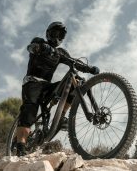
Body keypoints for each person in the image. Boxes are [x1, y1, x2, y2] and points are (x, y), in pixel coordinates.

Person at [16, 21, 100, 156]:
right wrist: (40, 47)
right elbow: (31, 47)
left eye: (61, 35)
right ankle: (20, 145)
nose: (58, 37)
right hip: (32, 83)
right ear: (49, 33)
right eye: (55, 33)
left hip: (47, 86)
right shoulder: (39, 42)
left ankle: (61, 116)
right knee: (29, 110)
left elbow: (73, 61)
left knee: (75, 82)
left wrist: (88, 68)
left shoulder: (60, 52)